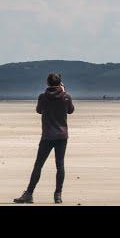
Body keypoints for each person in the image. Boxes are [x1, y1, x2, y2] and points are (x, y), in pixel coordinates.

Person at [14, 72, 75, 204]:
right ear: (60, 83)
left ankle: (29, 194)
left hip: (47, 135)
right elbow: (70, 110)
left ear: (47, 83)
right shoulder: (66, 96)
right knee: (60, 165)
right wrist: (64, 92)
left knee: (38, 165)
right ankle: (58, 195)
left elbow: (39, 110)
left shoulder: (43, 97)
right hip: (62, 136)